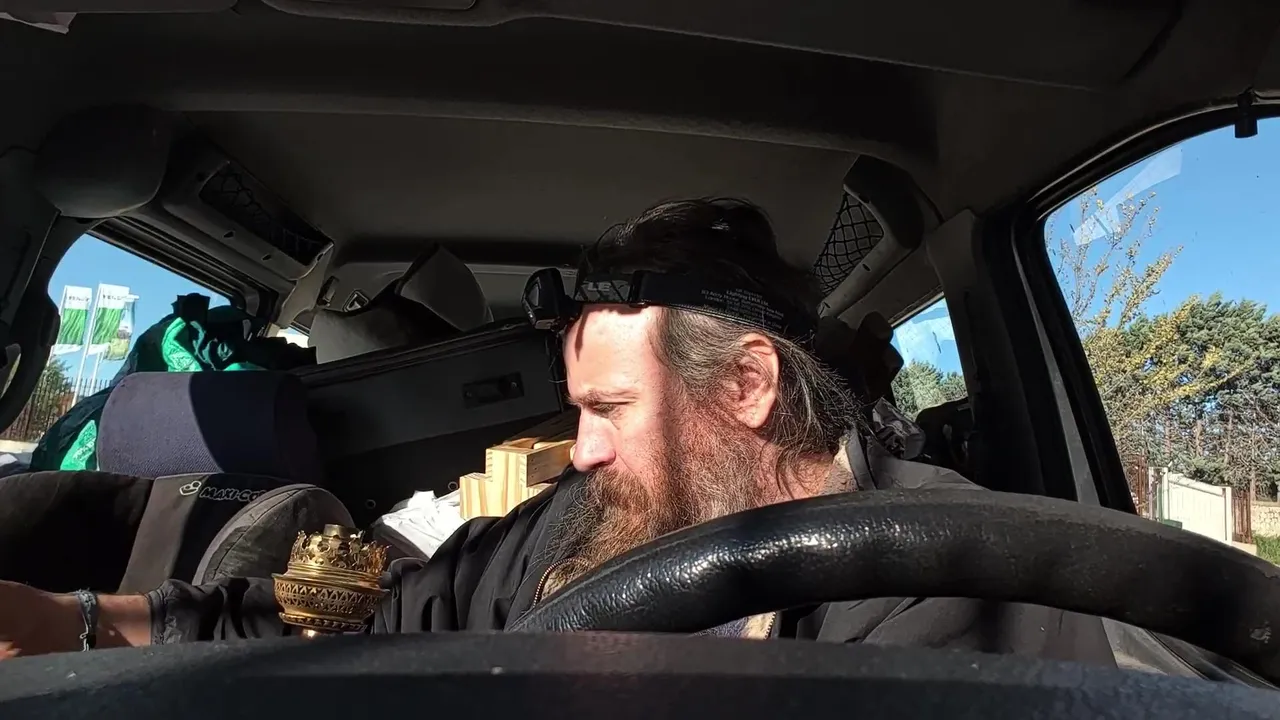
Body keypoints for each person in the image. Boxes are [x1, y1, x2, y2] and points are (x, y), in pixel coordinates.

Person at [0, 198, 1115, 664]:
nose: (578, 449)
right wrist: (76, 620)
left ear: (748, 385)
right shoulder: (579, 523)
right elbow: (360, 616)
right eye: (579, 411)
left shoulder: (952, 588)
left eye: (608, 410)